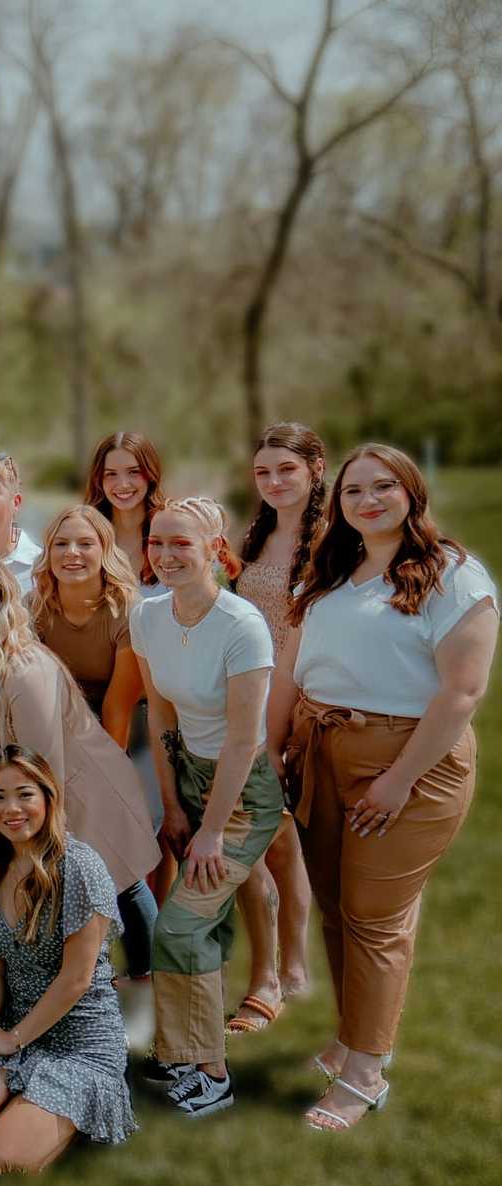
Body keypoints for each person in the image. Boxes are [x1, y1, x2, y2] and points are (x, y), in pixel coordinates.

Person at [275, 444, 494, 1130]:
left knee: (375, 914)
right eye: (353, 491)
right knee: (338, 905)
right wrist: (274, 744)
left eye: (383, 487)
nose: (367, 500)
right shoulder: (332, 571)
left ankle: (366, 1072)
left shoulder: (454, 576)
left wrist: (400, 781)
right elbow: (291, 663)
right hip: (319, 748)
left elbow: (462, 692)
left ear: (411, 492)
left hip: (408, 762)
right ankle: (351, 1035)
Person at [0, 550, 160, 1000]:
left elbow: (45, 769)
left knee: (120, 883)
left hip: (74, 792)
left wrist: (26, 843)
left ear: (2, 603)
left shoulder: (25, 669)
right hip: (7, 796)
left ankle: (154, 980)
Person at [130, 496, 282, 1117]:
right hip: (187, 777)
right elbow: (161, 712)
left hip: (241, 793)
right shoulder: (147, 617)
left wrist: (212, 831)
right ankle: (179, 1049)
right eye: (157, 542)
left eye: (180, 544)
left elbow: (246, 739)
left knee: (183, 922)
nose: (165, 555)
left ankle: (211, 1071)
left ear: (215, 551)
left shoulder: (242, 626)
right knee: (203, 922)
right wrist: (171, 802)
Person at [0, 747, 136, 1172]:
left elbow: (76, 980)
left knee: (1, 1161)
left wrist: (11, 1041)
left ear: (48, 798)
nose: (11, 809)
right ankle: (27, 1106)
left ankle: (71, 1110)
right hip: (15, 1026)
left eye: (24, 794)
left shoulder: (79, 867)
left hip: (81, 1041)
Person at [229, 422, 325, 1024]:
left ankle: (292, 960)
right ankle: (266, 970)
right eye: (263, 472)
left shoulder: (333, 540)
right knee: (249, 846)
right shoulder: (255, 536)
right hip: (241, 703)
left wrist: (283, 722)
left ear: (316, 469)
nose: (273, 482)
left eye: (286, 469)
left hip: (300, 703)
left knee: (285, 843)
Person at [28, 504, 143, 747]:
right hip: (55, 724)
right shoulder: (33, 607)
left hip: (123, 729)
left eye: (85, 544)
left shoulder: (128, 610)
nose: (71, 552)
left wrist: (110, 775)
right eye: (60, 544)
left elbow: (118, 707)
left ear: (104, 550)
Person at [85, 431, 166, 587]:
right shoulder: (84, 534)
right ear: (98, 480)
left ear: (151, 473)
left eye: (134, 472)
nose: (123, 484)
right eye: (111, 474)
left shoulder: (173, 530)